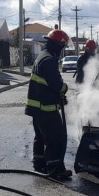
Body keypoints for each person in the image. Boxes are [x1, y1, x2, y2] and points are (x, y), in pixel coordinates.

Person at [25, 29, 72, 180]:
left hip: (38, 107)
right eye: (62, 47)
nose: (62, 50)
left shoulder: (42, 56)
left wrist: (57, 96)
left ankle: (39, 164)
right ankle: (55, 169)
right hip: (46, 109)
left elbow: (46, 84)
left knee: (40, 137)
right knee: (55, 138)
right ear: (58, 45)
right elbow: (57, 84)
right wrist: (64, 89)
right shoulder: (50, 60)